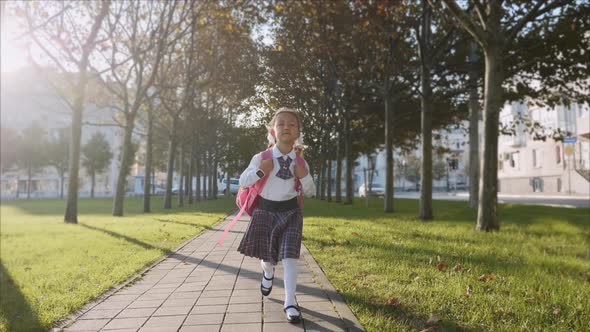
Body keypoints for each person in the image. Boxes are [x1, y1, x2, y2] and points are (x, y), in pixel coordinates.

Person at [237, 107, 316, 323]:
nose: (286, 127)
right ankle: (268, 273)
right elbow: (244, 181)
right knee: (268, 258)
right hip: (265, 211)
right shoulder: (262, 157)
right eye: (280, 123)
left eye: (291, 124)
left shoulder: (300, 162)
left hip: (291, 213)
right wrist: (261, 170)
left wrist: (304, 176)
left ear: (298, 132)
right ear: (273, 130)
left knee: (290, 257)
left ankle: (290, 301)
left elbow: (310, 191)